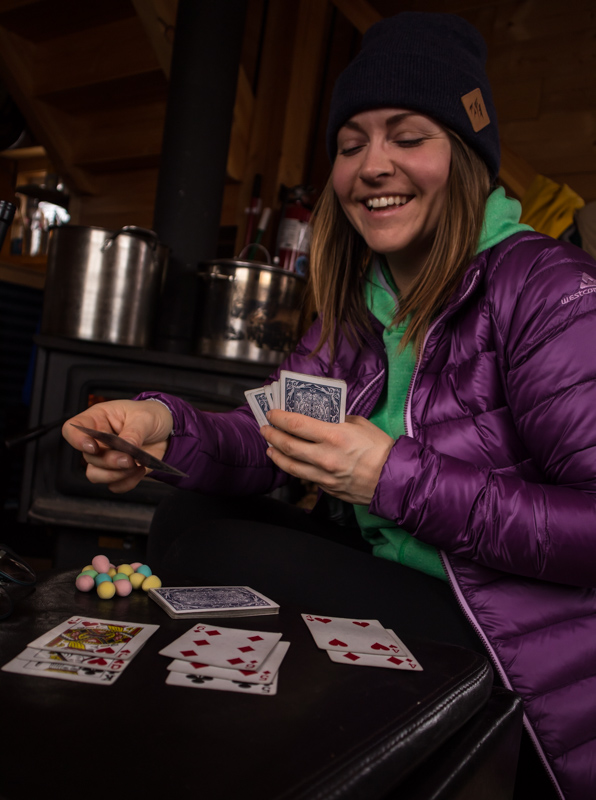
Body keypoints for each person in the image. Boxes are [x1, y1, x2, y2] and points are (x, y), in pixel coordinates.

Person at [62, 12, 596, 800]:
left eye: (408, 136)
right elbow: (270, 440)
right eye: (351, 145)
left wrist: (391, 478)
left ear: (469, 156)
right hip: (403, 584)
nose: (372, 166)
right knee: (190, 520)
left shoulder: (549, 289)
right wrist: (164, 426)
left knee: (226, 560)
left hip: (507, 633)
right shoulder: (362, 302)